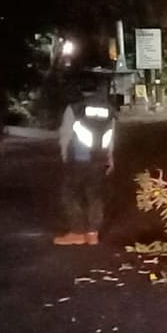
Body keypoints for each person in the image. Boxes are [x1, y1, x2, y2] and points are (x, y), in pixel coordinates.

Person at [53, 89, 116, 246]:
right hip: (100, 159)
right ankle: (93, 234)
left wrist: (65, 155)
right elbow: (111, 135)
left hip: (79, 159)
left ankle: (77, 232)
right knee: (95, 196)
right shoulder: (109, 109)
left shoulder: (75, 108)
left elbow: (66, 134)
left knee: (71, 194)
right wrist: (110, 157)